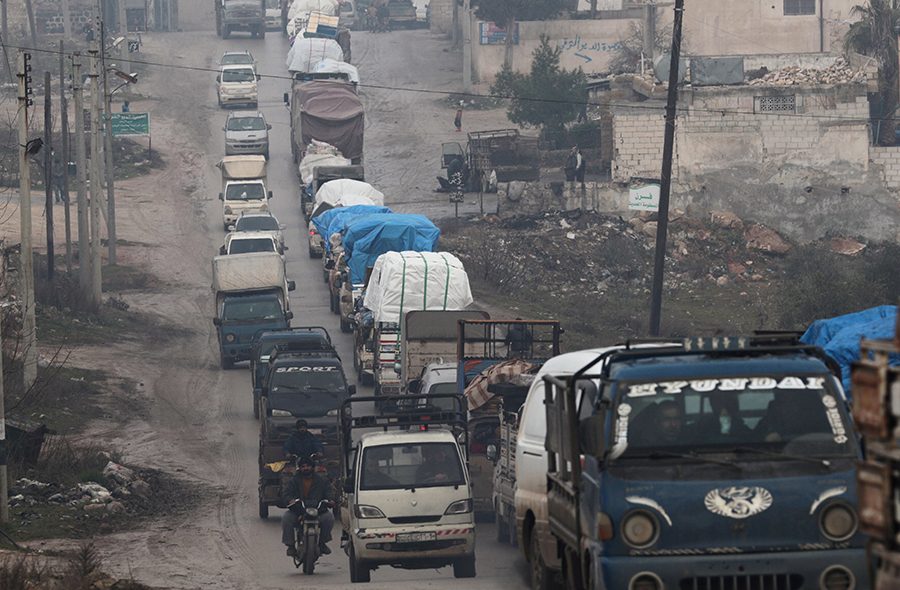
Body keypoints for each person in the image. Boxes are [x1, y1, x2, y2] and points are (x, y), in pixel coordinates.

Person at [281, 456, 334, 556]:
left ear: (312, 467)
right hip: (298, 510)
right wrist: (290, 500)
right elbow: (286, 494)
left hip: (318, 510)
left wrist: (330, 500)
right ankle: (290, 546)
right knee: (286, 518)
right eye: (303, 466)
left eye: (308, 466)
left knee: (329, 518)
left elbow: (329, 492)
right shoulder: (294, 481)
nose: (305, 468)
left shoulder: (321, 480)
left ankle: (322, 543)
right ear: (300, 468)